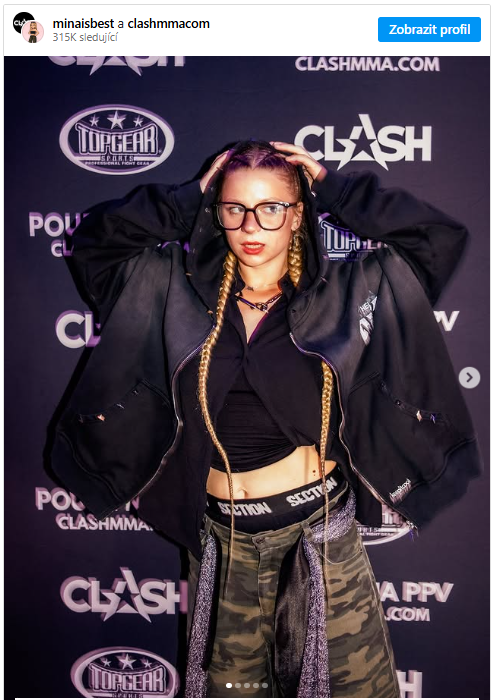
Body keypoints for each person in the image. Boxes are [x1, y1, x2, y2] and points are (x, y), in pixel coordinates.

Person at [52, 140, 482, 699]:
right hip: (221, 545)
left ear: (298, 214)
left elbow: (437, 238)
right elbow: (95, 242)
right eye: (235, 208)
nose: (251, 226)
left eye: (271, 208)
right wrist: (187, 197)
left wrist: (336, 189)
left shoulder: (350, 291)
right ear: (217, 212)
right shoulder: (169, 287)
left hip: (319, 542)